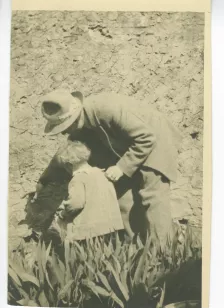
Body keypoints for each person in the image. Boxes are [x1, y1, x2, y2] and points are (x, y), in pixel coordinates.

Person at [37, 89, 182, 249]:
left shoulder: (107, 109)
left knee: (153, 197)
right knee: (123, 199)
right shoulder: (82, 122)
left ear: (74, 117)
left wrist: (121, 167)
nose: (63, 131)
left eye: (63, 126)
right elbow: (67, 150)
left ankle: (164, 254)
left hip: (155, 139)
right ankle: (136, 250)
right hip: (132, 146)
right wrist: (45, 180)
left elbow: (146, 138)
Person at [51, 139, 124, 242]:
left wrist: (63, 213)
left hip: (91, 230)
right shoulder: (103, 174)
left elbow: (76, 204)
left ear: (68, 165)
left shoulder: (78, 179)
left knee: (89, 254)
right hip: (111, 225)